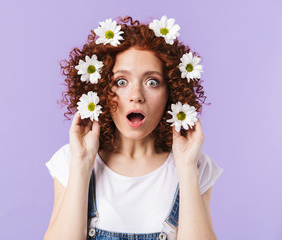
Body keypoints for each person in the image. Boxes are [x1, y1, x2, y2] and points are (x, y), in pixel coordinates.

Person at [44, 15, 223, 240]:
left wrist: (187, 169)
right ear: (101, 91)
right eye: (121, 82)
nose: (136, 96)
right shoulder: (70, 160)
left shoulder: (196, 165)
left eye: (152, 82)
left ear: (172, 92)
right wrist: (82, 163)